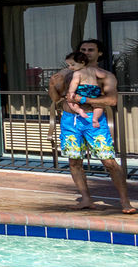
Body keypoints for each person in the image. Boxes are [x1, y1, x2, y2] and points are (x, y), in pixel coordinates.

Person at [47, 38, 132, 213]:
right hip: (70, 120)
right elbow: (56, 98)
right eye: (83, 49)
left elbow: (112, 100)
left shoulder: (105, 75)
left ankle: (125, 202)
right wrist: (51, 85)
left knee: (108, 161)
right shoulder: (67, 73)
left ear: (99, 53)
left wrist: (84, 99)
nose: (86, 52)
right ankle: (86, 199)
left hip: (94, 120)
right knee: (74, 161)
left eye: (91, 50)